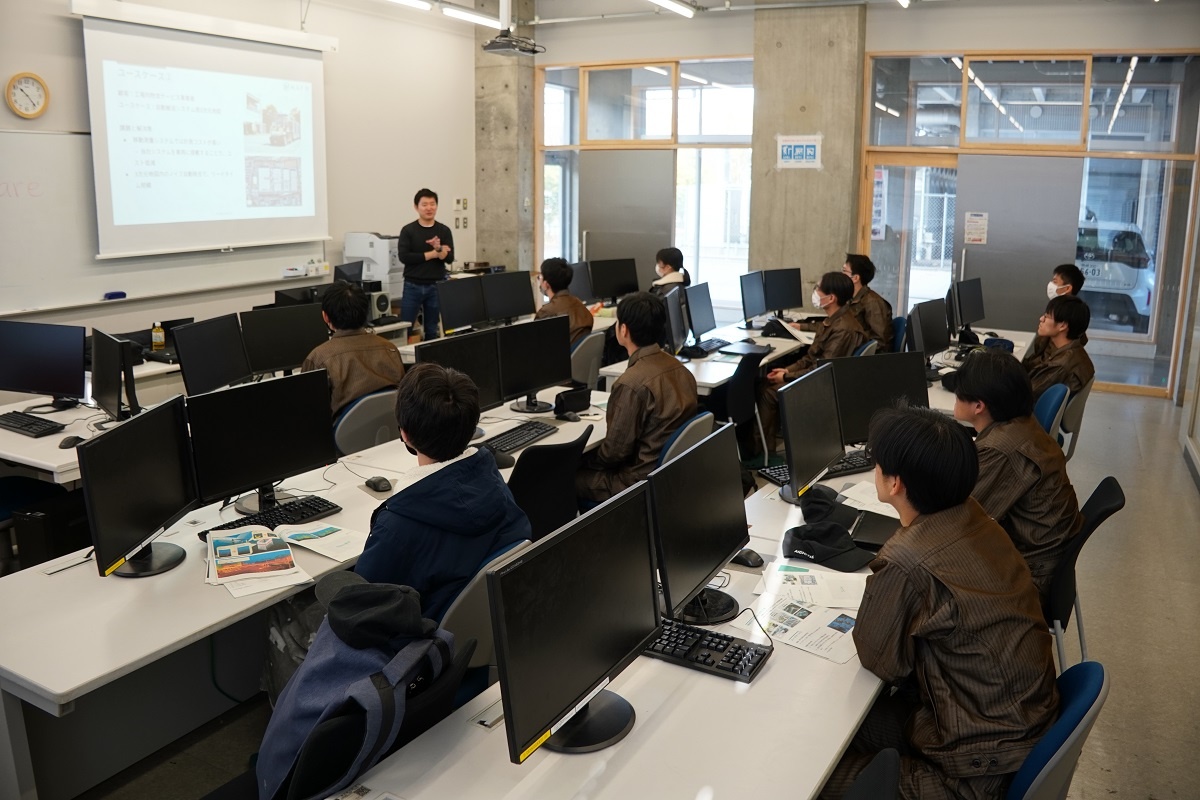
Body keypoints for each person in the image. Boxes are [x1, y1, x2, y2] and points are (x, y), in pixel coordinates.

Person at [820, 404, 1058, 800]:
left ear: (895, 483)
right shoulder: (977, 518)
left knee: (811, 774)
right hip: (1010, 732)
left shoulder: (907, 560)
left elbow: (883, 663)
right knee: (834, 727)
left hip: (969, 775)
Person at [355, 363, 531, 621]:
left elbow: (359, 608)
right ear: (471, 427)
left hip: (420, 637)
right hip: (487, 625)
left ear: (405, 435)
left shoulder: (397, 526)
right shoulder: (494, 483)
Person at [953, 348, 1084, 608]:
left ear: (978, 406)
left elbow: (957, 521)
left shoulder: (1002, 450)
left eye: (958, 393)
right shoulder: (1023, 425)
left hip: (1029, 580)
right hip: (1043, 560)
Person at [576, 292, 698, 503]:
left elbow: (614, 453)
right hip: (670, 476)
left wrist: (579, 460)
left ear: (623, 330)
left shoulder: (631, 384)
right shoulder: (681, 370)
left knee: (562, 477)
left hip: (635, 484)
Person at [757, 271, 867, 454]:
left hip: (823, 387)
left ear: (831, 298)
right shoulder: (834, 320)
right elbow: (810, 357)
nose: (815, 292)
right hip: (822, 379)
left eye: (818, 288)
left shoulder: (843, 329)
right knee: (764, 384)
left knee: (768, 393)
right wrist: (787, 370)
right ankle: (763, 446)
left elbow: (820, 370)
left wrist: (786, 377)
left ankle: (762, 452)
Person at [301, 281, 406, 417]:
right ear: (366, 312)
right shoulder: (390, 349)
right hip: (390, 428)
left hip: (343, 431)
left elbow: (309, 414)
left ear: (325, 316)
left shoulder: (318, 359)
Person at [397, 188, 454, 340]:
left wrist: (439, 249)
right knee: (405, 327)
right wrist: (432, 254)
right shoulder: (408, 230)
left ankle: (431, 355)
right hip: (412, 285)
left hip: (436, 285)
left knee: (432, 329)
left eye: (432, 204)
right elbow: (404, 257)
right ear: (416, 207)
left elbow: (449, 258)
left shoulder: (444, 230)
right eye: (424, 204)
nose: (429, 208)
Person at [1022, 294, 1095, 400]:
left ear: (1063, 326)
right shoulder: (1064, 346)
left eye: (1047, 317)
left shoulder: (1060, 366)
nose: (1041, 319)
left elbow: (1024, 395)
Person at [1027, 263, 1087, 361]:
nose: (1051, 285)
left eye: (1055, 282)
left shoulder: (1070, 317)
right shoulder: (1058, 309)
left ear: (1067, 288)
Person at [535, 257, 594, 346]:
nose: (539, 280)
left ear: (546, 284)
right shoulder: (579, 303)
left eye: (540, 277)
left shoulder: (545, 312)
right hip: (578, 353)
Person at [842, 253, 893, 351]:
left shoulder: (873, 302)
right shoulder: (851, 298)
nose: (841, 275)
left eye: (844, 271)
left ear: (855, 278)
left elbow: (879, 342)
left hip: (868, 357)